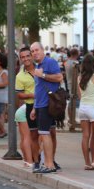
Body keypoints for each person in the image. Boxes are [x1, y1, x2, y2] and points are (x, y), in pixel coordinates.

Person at [29, 42, 63, 174]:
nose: (35, 53)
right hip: (40, 104)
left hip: (47, 105)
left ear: (43, 50)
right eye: (32, 51)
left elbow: (59, 77)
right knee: (45, 133)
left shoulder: (49, 62)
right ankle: (48, 163)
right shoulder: (38, 65)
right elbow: (38, 88)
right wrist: (34, 108)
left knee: (44, 134)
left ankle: (49, 164)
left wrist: (42, 75)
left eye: (37, 50)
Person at [15, 47, 40, 169]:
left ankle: (44, 161)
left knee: (47, 134)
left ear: (32, 56)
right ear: (20, 59)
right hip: (29, 106)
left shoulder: (41, 69)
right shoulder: (20, 76)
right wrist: (31, 95)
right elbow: (19, 94)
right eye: (23, 57)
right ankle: (33, 161)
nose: (25, 59)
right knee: (31, 136)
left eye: (27, 56)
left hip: (43, 105)